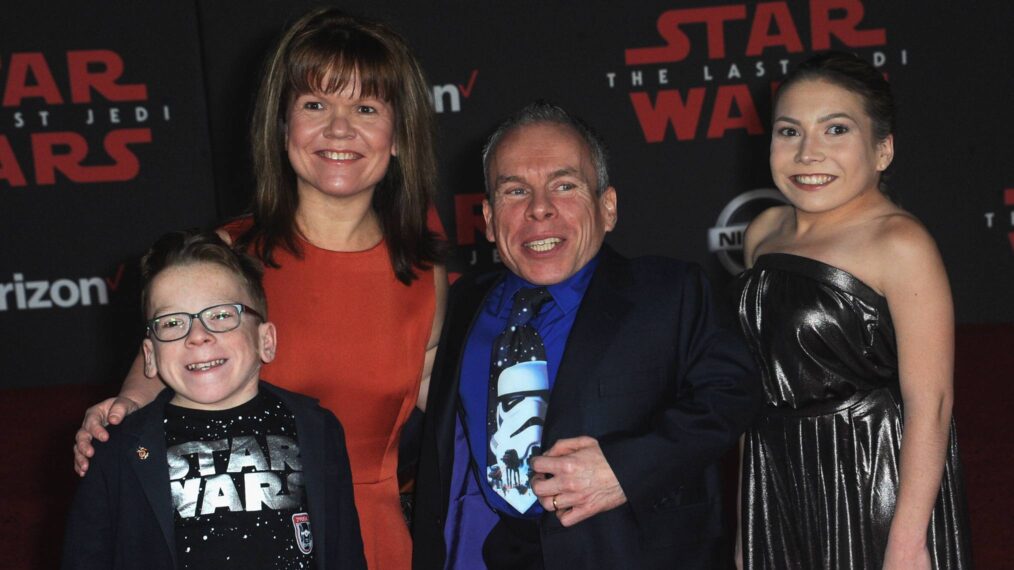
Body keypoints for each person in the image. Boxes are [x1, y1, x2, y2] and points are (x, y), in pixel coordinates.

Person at [73, 8, 447, 569]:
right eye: (315, 105)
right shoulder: (226, 256)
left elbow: (452, 411)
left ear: (398, 136)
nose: (339, 129)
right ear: (282, 126)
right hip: (234, 537)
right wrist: (119, 413)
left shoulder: (422, 272)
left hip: (375, 541)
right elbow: (156, 375)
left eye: (366, 108)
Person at [411, 101, 761, 569]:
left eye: (564, 185)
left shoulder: (669, 293)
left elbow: (734, 394)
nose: (539, 209)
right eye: (515, 191)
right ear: (490, 221)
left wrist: (626, 469)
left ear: (608, 207)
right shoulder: (460, 305)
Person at [735, 51, 972, 569]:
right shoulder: (763, 232)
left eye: (836, 130)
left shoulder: (900, 242)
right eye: (789, 131)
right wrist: (747, 522)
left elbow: (930, 400)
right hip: (775, 469)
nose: (807, 153)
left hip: (871, 476)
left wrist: (908, 541)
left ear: (882, 149)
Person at [62, 230, 366, 570]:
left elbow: (344, 551)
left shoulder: (318, 428)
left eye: (221, 315)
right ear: (149, 355)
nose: (198, 336)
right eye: (173, 322)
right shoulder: (117, 448)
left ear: (266, 340)